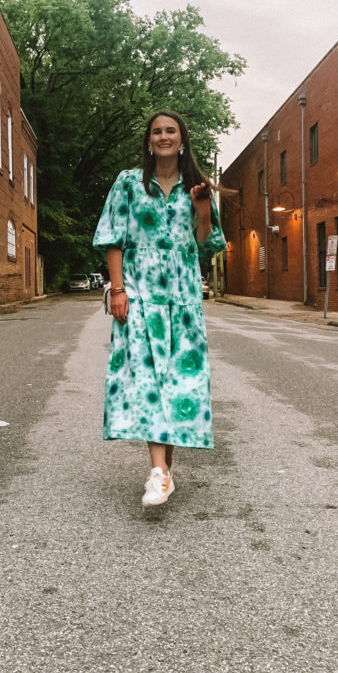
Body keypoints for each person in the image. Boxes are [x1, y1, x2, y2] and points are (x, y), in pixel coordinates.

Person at [93, 110, 226, 507]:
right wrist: (118, 290)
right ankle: (158, 471)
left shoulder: (196, 187)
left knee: (181, 383)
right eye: (157, 132)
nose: (164, 137)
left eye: (171, 131)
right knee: (149, 382)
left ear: (182, 139)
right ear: (149, 140)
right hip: (140, 294)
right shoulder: (129, 183)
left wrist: (202, 209)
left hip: (184, 298)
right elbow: (112, 238)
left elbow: (206, 245)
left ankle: (163, 473)